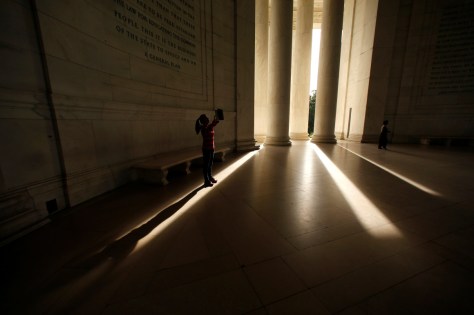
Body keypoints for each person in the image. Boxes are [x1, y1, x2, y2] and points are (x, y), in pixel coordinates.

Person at [195, 113, 220, 187]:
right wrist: (215, 120)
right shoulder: (204, 128)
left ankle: (210, 177)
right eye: (206, 118)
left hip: (211, 148)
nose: (208, 118)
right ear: (204, 121)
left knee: (210, 164)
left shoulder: (209, 127)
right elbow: (212, 124)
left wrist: (216, 119)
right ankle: (206, 181)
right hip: (206, 149)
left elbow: (213, 124)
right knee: (206, 165)